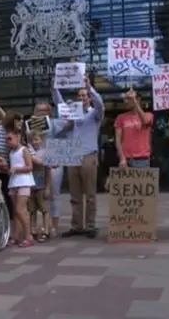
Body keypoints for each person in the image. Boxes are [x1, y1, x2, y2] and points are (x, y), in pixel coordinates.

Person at [52, 76, 104, 238]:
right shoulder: (72, 113)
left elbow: (100, 104)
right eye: (79, 95)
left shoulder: (94, 114)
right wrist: (55, 86)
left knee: (89, 193)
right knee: (74, 194)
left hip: (88, 155)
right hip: (72, 155)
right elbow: (59, 102)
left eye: (84, 95)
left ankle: (90, 225)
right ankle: (76, 226)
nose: (81, 98)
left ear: (89, 98)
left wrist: (89, 86)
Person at [30, 102, 72, 236]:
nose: (42, 113)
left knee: (53, 195)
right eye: (39, 110)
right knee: (34, 197)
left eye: (45, 111)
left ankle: (53, 226)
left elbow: (69, 125)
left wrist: (71, 110)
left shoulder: (53, 123)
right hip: (35, 165)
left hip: (53, 162)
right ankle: (36, 227)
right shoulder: (30, 124)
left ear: (49, 112)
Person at [0, 111, 24, 241]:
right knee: (0, 200)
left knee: (14, 203)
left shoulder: (19, 132)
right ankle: (0, 230)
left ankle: (14, 233)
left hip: (14, 171)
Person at [6, 128, 35, 248]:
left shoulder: (24, 150)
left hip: (24, 182)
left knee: (20, 210)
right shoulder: (11, 153)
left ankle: (28, 236)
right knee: (16, 212)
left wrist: (17, 169)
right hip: (14, 182)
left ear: (18, 137)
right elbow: (13, 167)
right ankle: (17, 235)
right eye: (6, 139)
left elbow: (29, 167)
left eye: (10, 138)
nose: (8, 141)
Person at [114, 88, 153, 168]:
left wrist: (135, 102)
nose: (126, 101)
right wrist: (122, 158)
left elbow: (145, 121)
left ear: (138, 99)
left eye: (129, 98)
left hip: (142, 160)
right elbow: (118, 140)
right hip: (125, 160)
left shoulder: (149, 115)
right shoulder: (120, 118)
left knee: (143, 181)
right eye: (126, 98)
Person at [27, 131, 51, 242]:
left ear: (42, 140)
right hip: (31, 186)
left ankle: (46, 230)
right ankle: (33, 230)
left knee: (44, 209)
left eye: (37, 139)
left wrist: (48, 187)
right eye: (32, 140)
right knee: (32, 210)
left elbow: (48, 171)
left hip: (41, 186)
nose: (34, 142)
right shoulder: (29, 153)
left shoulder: (45, 153)